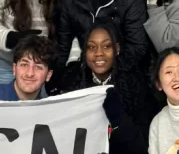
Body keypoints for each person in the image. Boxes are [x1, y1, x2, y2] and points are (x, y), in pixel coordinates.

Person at [60, 21, 159, 153]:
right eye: (91, 47)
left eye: (106, 46)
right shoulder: (73, 85)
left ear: (117, 49)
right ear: (85, 51)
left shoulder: (135, 86)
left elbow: (142, 146)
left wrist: (119, 119)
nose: (98, 53)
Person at [0, 35, 54, 101]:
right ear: (14, 69)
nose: (29, 73)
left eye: (38, 67)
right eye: (24, 65)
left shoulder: (51, 111)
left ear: (48, 75)